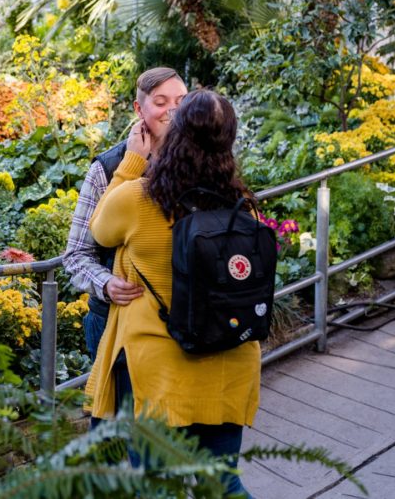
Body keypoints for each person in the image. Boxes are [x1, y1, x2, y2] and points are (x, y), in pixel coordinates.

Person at [85, 90, 260, 497]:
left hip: (157, 371)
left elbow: (99, 230)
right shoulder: (241, 207)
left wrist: (131, 162)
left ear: (176, 134)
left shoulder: (138, 198)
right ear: (229, 140)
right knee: (222, 482)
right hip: (227, 362)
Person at [63, 67, 188, 360]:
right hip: (116, 319)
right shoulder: (106, 168)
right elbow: (76, 254)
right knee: (121, 406)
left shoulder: (199, 161)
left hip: (182, 316)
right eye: (160, 102)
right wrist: (105, 283)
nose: (172, 111)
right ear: (138, 108)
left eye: (181, 102)